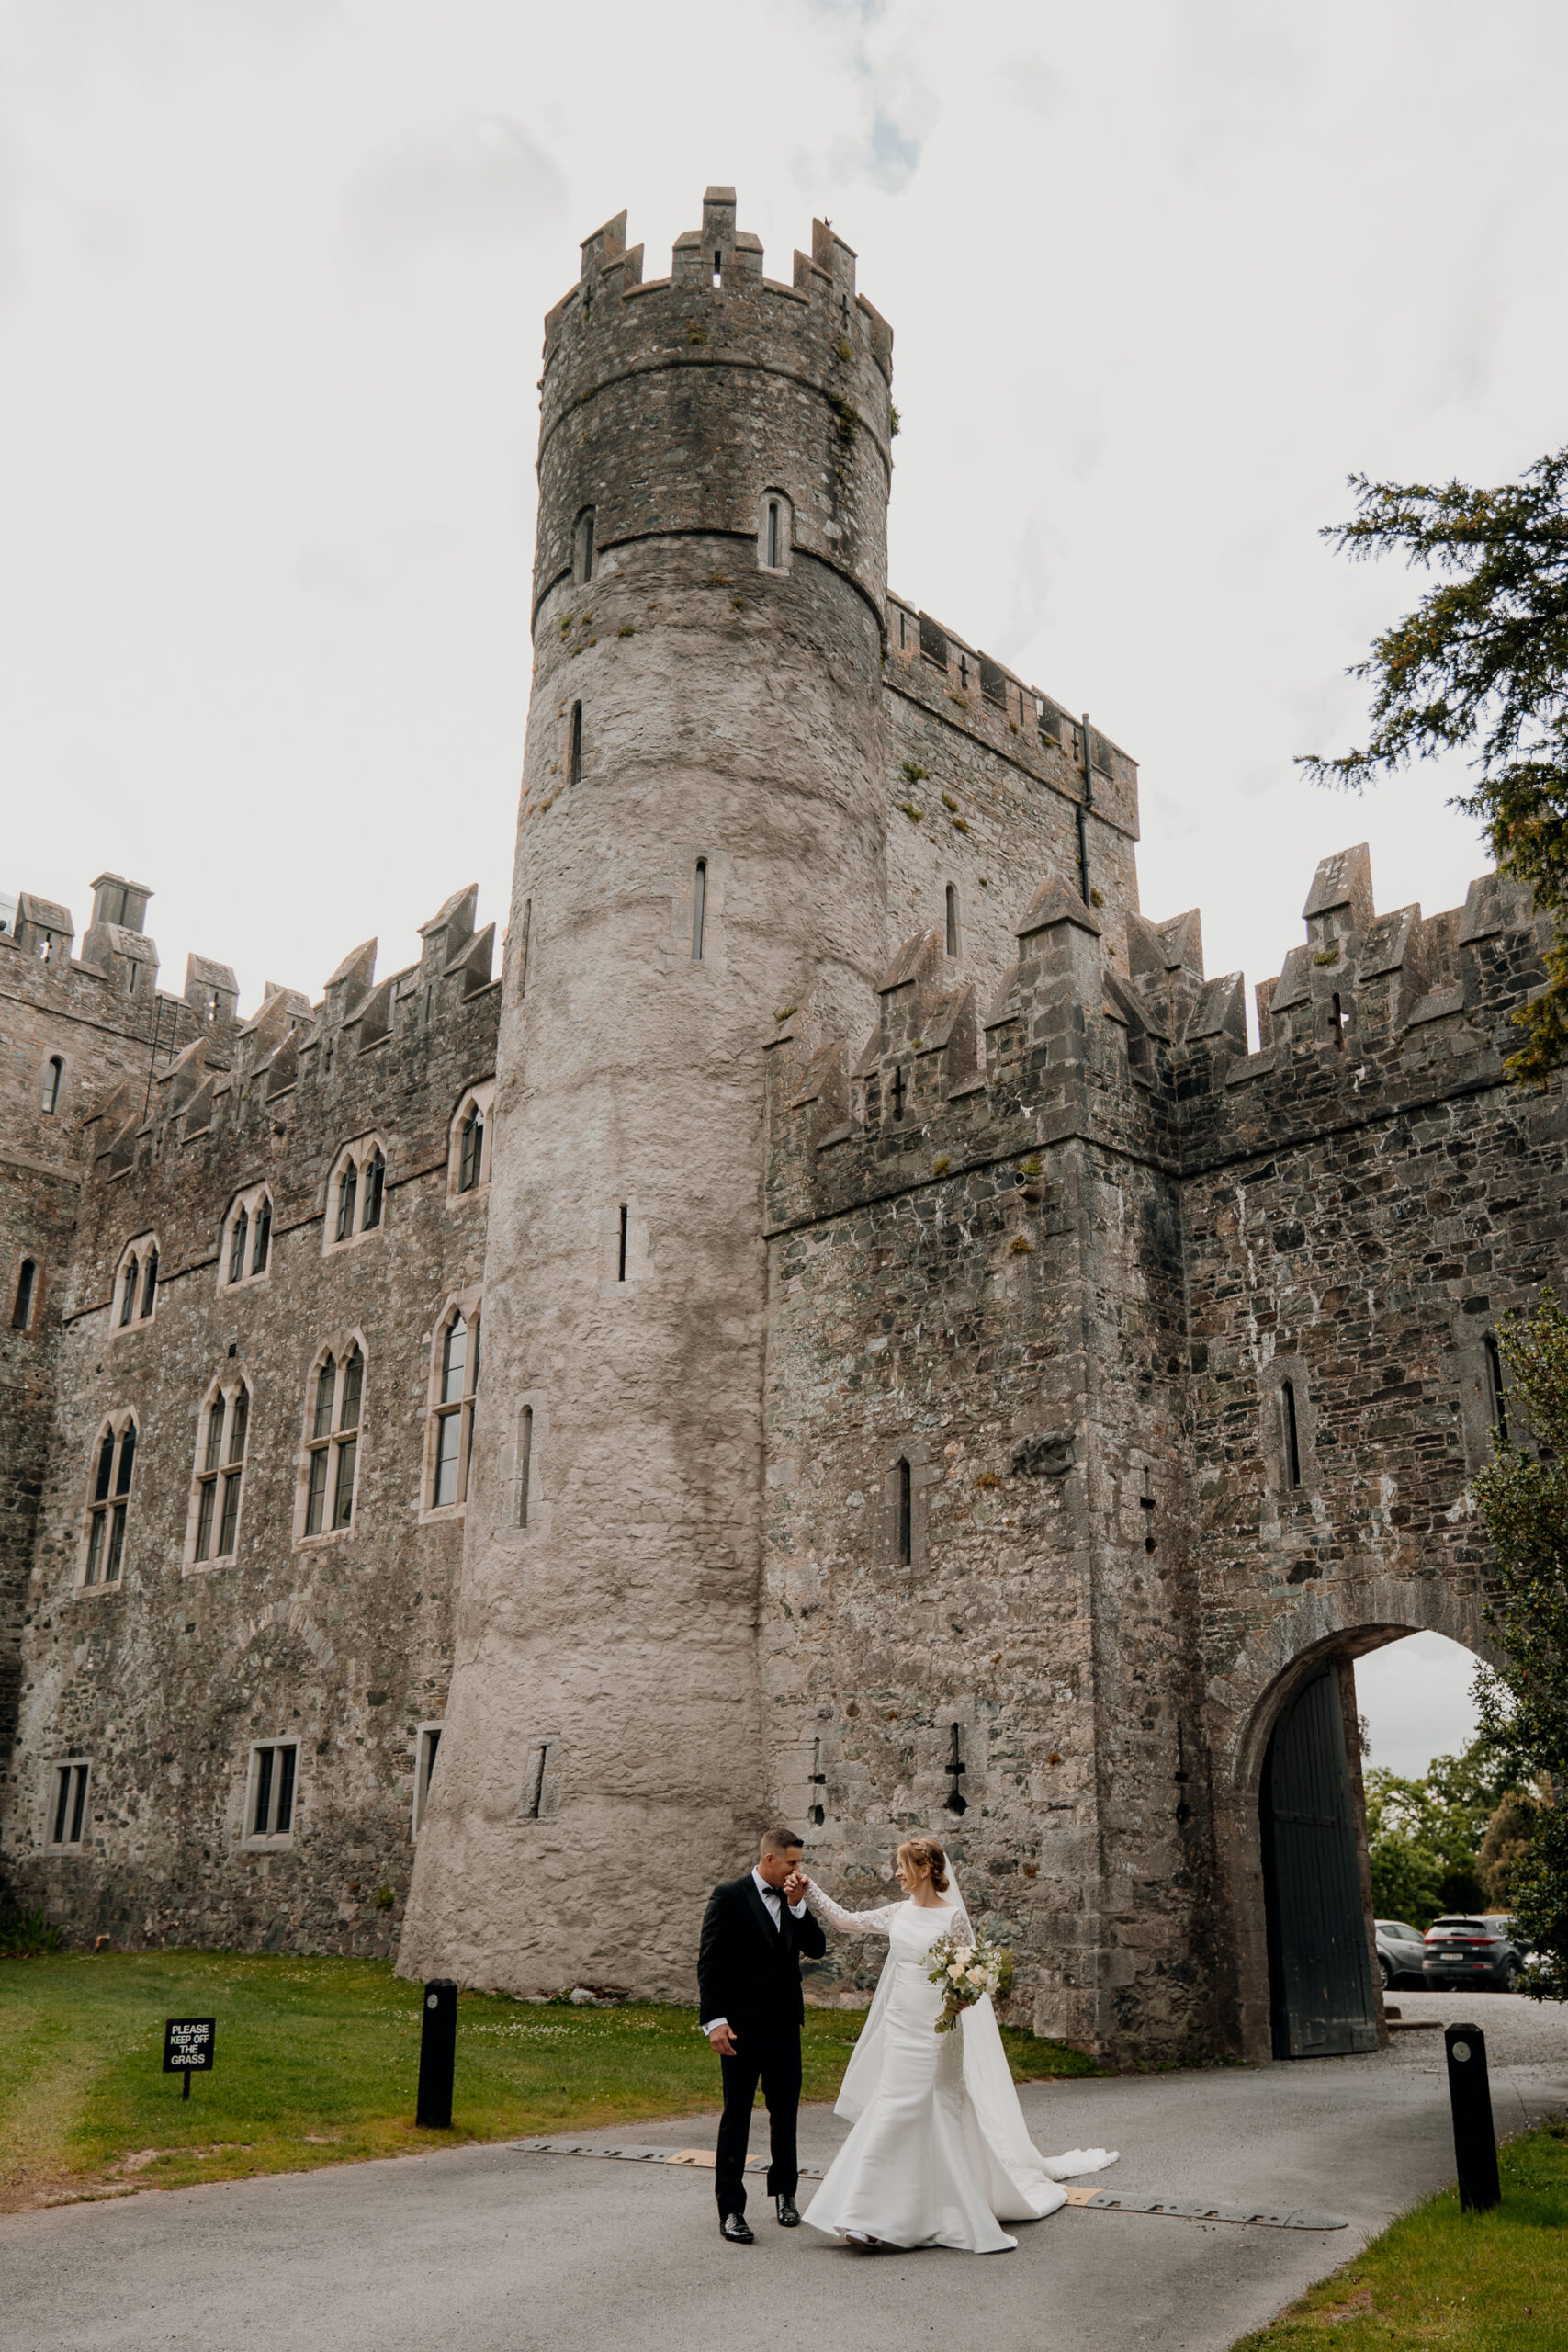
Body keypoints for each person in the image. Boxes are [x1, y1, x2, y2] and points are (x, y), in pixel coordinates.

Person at [798, 1837, 1118, 2253]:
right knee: (892, 2108)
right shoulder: (897, 1912)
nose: (896, 1873)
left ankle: (932, 2210)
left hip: (938, 2028)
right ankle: (867, 2215)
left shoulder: (952, 1919)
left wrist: (964, 1996)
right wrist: (811, 1889)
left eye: (901, 1866)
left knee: (929, 2109)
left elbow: (972, 1973)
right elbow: (845, 1920)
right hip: (900, 2025)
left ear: (926, 1870)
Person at [698, 1826, 829, 2245]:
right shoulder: (729, 1896)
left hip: (784, 2026)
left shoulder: (793, 1899)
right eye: (792, 1862)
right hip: (740, 2027)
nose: (798, 1870)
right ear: (770, 1860)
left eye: (800, 1863)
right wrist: (714, 2020)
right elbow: (710, 1962)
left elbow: (818, 1948)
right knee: (736, 2116)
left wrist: (796, 1906)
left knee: (786, 2113)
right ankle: (731, 2209)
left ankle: (786, 2193)